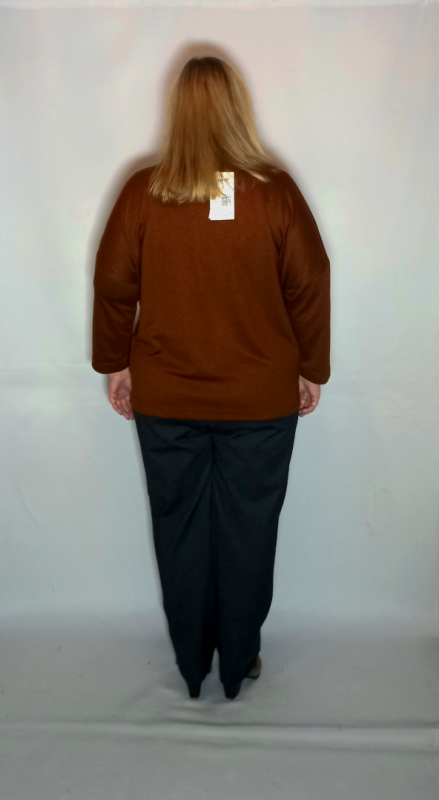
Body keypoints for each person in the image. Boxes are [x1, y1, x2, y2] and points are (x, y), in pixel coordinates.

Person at [92, 55, 331, 701]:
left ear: (177, 111)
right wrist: (310, 369)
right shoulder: (274, 192)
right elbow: (309, 284)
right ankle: (237, 664)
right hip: (260, 400)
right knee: (248, 531)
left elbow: (113, 285)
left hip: (166, 397)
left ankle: (193, 664)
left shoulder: (142, 193)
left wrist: (115, 363)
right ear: (236, 109)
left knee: (179, 529)